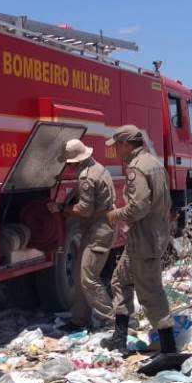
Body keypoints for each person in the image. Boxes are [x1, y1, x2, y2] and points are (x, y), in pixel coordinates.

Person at [100, 125, 179, 366]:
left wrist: (115, 215)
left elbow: (138, 207)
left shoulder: (136, 168)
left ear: (126, 144)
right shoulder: (154, 162)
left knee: (150, 291)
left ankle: (169, 349)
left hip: (145, 238)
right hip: (147, 236)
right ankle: (119, 337)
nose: (116, 152)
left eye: (117, 147)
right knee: (119, 280)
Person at [48, 139, 115, 332]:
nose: (68, 168)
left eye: (69, 164)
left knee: (88, 277)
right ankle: (79, 319)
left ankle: (111, 320)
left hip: (99, 230)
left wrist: (61, 208)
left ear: (76, 162)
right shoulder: (98, 167)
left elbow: (85, 210)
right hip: (98, 228)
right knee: (79, 276)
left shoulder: (87, 177)